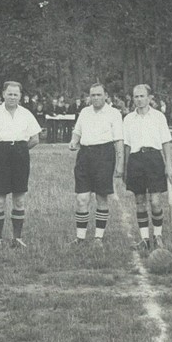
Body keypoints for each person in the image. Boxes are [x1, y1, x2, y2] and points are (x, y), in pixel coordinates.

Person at [0, 81, 41, 250]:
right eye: (9, 94)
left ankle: (17, 238)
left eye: (16, 94)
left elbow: (35, 138)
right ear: (3, 94)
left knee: (19, 197)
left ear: (20, 96)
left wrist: (19, 151)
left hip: (20, 154)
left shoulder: (26, 114)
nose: (12, 97)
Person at [68, 84, 124, 245]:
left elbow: (118, 140)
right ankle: (80, 237)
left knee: (101, 197)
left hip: (104, 155)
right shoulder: (85, 112)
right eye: (93, 95)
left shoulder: (114, 114)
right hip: (85, 155)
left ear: (106, 95)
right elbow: (77, 131)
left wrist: (120, 164)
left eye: (99, 95)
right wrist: (73, 141)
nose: (96, 98)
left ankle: (98, 237)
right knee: (82, 198)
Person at [122, 84, 172, 250]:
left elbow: (165, 141)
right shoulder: (128, 119)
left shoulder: (158, 117)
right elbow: (127, 145)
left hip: (154, 159)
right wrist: (124, 167)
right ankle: (144, 239)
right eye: (136, 97)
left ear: (149, 98)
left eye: (142, 96)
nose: (139, 100)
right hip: (136, 160)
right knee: (140, 201)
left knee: (156, 201)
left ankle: (158, 235)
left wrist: (169, 165)